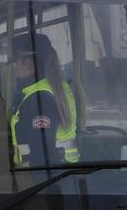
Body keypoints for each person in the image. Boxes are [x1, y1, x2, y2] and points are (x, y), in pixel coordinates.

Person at [8, 31, 79, 167]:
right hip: (64, 173)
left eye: (16, 63)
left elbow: (42, 155)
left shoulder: (38, 99)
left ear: (26, 64)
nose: (16, 69)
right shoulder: (56, 86)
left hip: (42, 180)